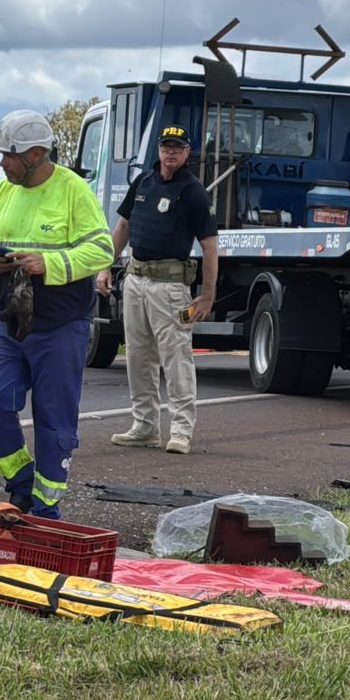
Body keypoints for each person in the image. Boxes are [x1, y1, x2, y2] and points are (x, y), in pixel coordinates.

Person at [0, 110, 114, 519]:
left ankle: (45, 506)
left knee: (53, 418)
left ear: (35, 154)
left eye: (8, 156)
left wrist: (48, 263)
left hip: (61, 323)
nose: (3, 163)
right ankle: (21, 484)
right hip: (10, 317)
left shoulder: (73, 191)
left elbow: (101, 249)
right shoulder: (3, 192)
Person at [101, 124, 219, 455]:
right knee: (138, 356)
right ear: (159, 150)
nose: (170, 152)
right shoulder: (144, 182)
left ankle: (181, 430)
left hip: (170, 286)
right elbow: (122, 226)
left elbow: (210, 246)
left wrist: (207, 295)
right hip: (135, 280)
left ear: (187, 152)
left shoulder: (193, 191)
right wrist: (105, 266)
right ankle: (145, 426)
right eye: (166, 146)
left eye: (177, 147)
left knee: (176, 358)